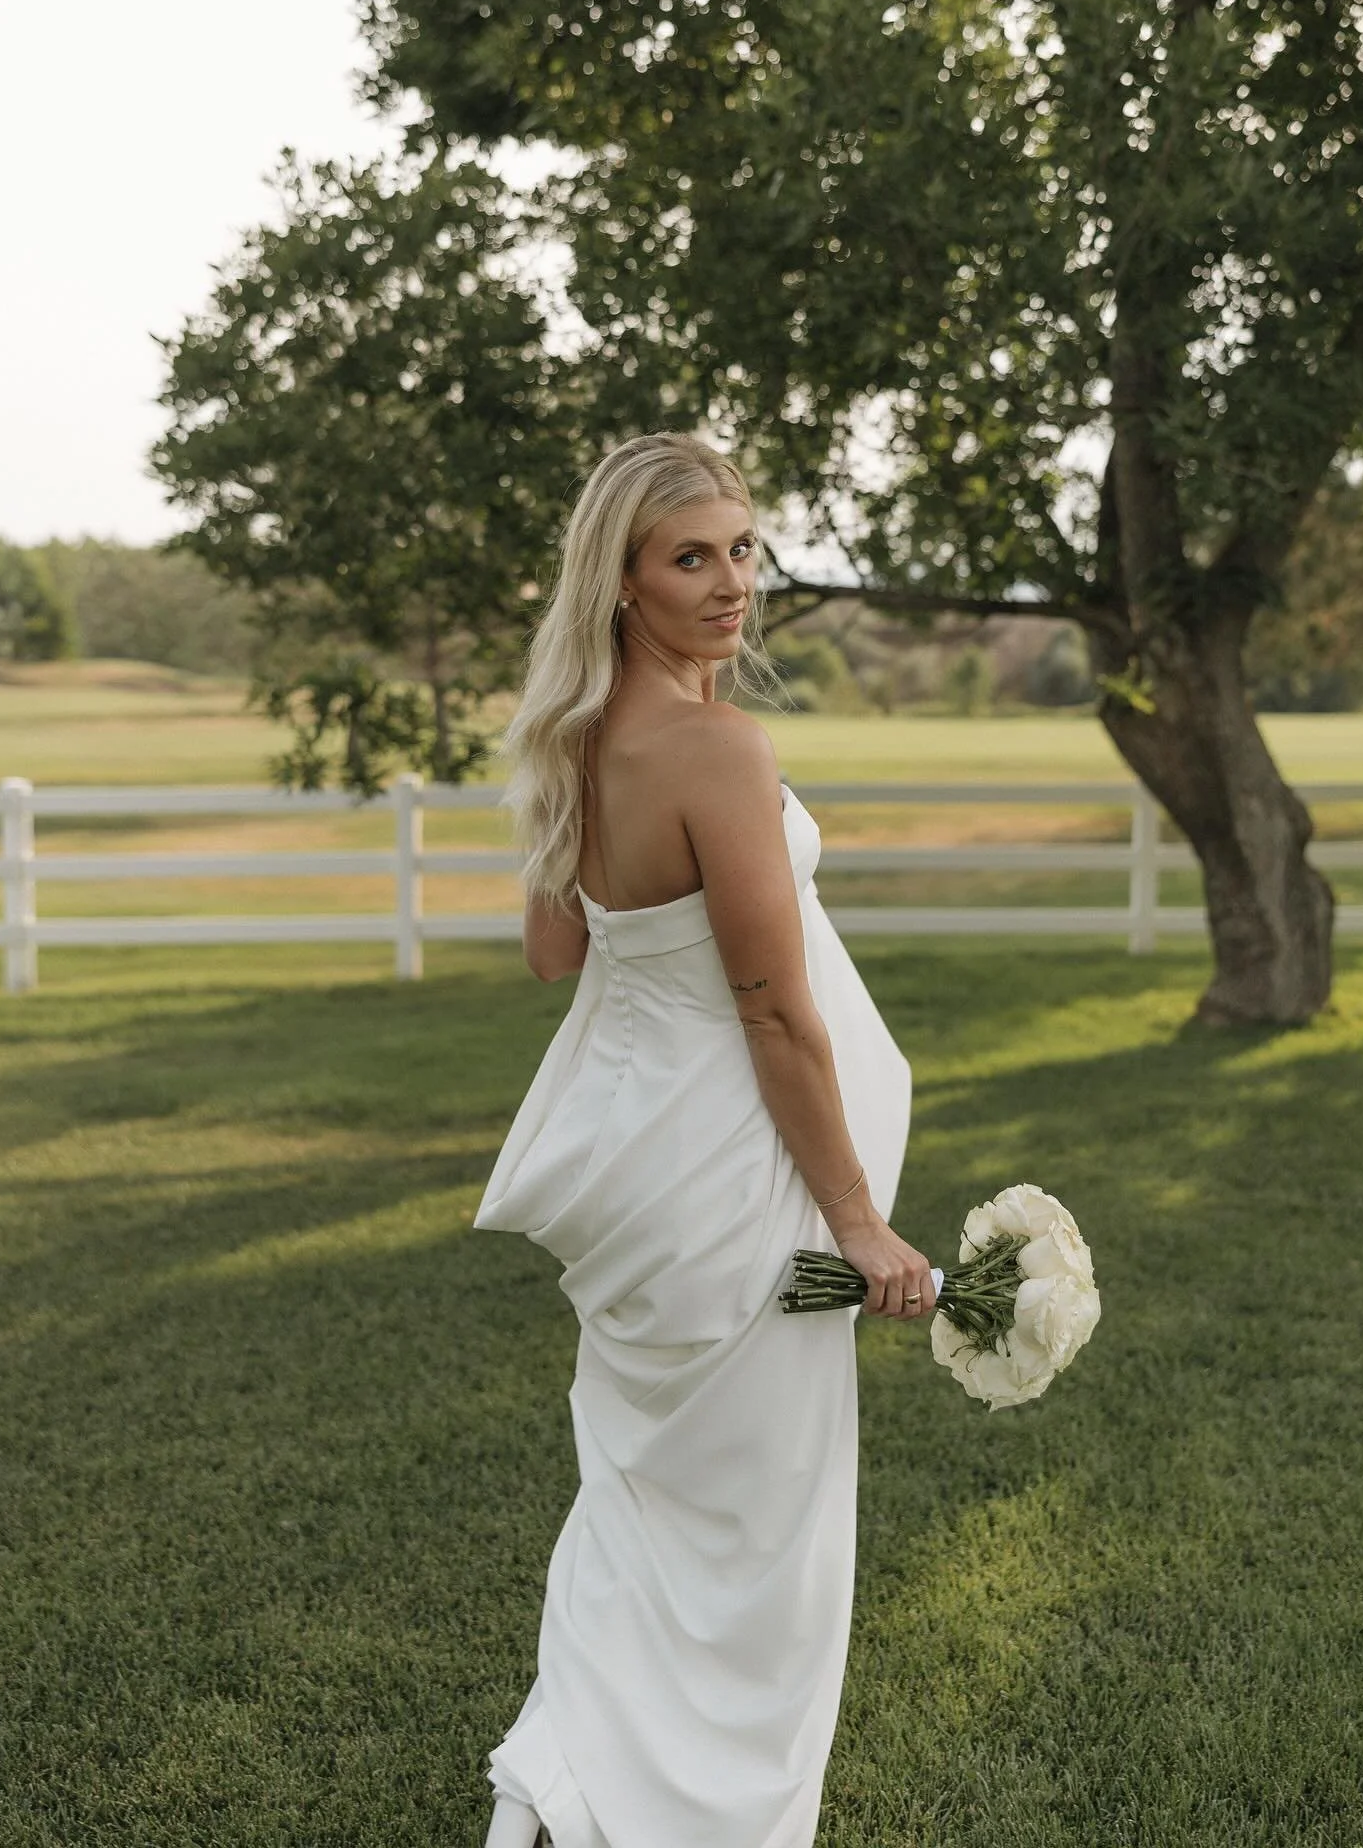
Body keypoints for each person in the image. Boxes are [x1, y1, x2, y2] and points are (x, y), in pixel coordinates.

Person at [473, 431, 936, 1848]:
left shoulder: (581, 739)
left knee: (642, 1513)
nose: (733, 582)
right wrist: (857, 1220)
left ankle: (569, 1798)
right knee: (758, 1548)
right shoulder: (717, 750)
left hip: (641, 1182)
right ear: (622, 582)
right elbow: (774, 1012)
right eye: (692, 558)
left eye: (743, 548)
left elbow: (560, 952)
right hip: (739, 1190)